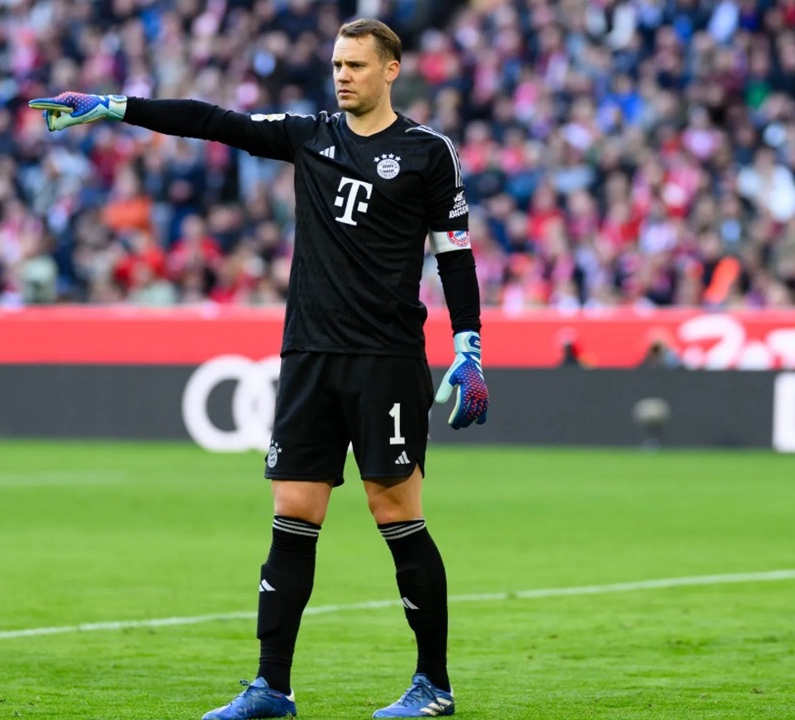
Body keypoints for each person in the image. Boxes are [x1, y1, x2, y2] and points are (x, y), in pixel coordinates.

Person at [31, 18, 488, 719]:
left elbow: (453, 254)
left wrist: (468, 347)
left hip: (386, 360)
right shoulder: (311, 135)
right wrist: (118, 106)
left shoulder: (429, 153)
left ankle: (434, 685)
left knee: (394, 510)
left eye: (357, 65)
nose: (342, 75)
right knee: (292, 515)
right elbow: (215, 122)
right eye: (337, 64)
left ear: (391, 70)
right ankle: (272, 687)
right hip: (308, 355)